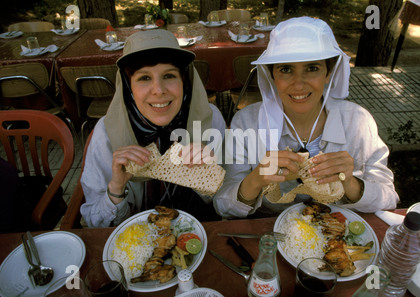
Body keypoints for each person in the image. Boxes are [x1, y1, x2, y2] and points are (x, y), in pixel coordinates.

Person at [214, 17, 399, 219]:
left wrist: (351, 183)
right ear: (271, 76)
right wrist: (256, 179)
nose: (299, 84)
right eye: (286, 69)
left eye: (312, 68)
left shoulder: (358, 121)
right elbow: (223, 207)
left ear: (329, 73)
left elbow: (389, 198)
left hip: (338, 236)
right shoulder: (246, 123)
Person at [80, 29, 226, 227]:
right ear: (127, 85)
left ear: (185, 80)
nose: (158, 90)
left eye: (169, 75)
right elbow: (95, 224)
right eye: (144, 78)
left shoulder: (211, 120)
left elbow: (227, 204)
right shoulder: (107, 134)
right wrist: (116, 186)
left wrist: (207, 178)